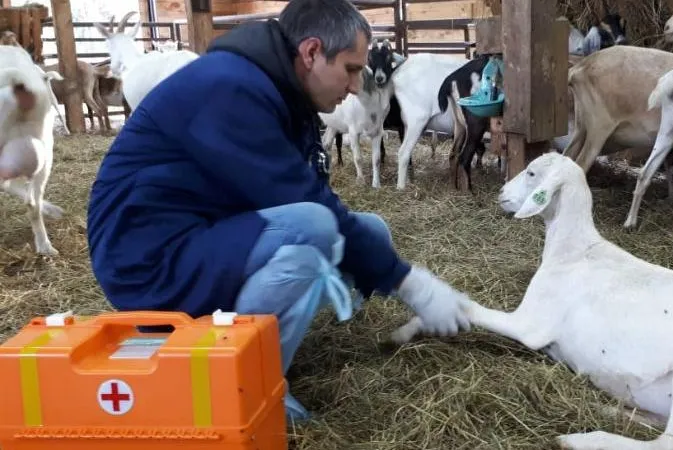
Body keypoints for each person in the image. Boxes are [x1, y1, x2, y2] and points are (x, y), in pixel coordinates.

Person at [86, 0, 472, 421]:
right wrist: (412, 285)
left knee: (370, 229)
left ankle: (257, 333)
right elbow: (307, 203)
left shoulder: (282, 91)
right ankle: (243, 386)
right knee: (313, 231)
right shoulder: (232, 88)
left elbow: (311, 191)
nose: (355, 86)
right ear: (311, 52)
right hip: (148, 257)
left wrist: (386, 268)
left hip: (207, 229)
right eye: (350, 69)